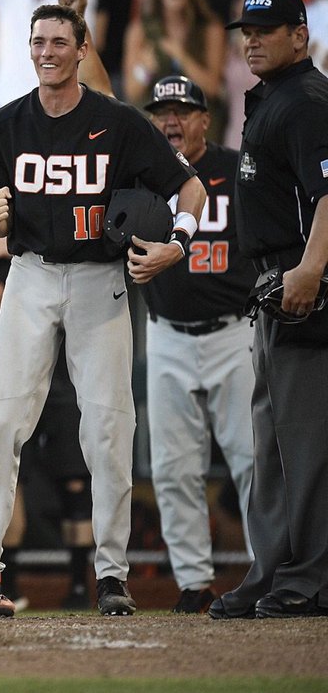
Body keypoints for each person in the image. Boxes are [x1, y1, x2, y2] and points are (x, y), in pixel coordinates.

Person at [0, 1, 206, 618]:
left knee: (108, 428)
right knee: (0, 421)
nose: (48, 51)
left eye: (60, 41)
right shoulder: (6, 123)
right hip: (29, 275)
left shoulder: (117, 121)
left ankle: (112, 573)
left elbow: (187, 184)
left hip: (99, 278)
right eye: (39, 41)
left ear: (83, 49)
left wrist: (178, 243)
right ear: (28, 48)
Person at [210, 0, 328, 620]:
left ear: (300, 36)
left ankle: (306, 580)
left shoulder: (308, 101)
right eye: (246, 31)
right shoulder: (274, 99)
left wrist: (310, 269)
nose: (251, 40)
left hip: (301, 283)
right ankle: (273, 571)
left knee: (304, 443)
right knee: (274, 440)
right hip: (272, 285)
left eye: (267, 30)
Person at [140, 74, 255, 615]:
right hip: (167, 334)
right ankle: (192, 581)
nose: (172, 121)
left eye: (183, 110)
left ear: (205, 119)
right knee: (172, 466)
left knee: (253, 460)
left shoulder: (236, 170)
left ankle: (273, 569)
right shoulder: (143, 174)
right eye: (163, 111)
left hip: (235, 331)